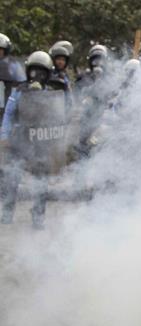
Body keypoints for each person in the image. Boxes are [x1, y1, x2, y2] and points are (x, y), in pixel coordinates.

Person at [0, 51, 67, 229]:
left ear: (48, 74)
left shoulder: (53, 94)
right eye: (34, 71)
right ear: (28, 71)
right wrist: (5, 135)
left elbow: (59, 119)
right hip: (19, 140)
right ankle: (7, 212)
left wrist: (57, 141)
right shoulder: (19, 91)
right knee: (11, 177)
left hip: (40, 143)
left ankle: (38, 216)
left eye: (42, 72)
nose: (37, 76)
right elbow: (8, 113)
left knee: (41, 180)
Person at [0, 33, 25, 119]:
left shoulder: (13, 65)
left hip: (8, 107)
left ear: (5, 50)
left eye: (0, 49)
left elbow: (22, 82)